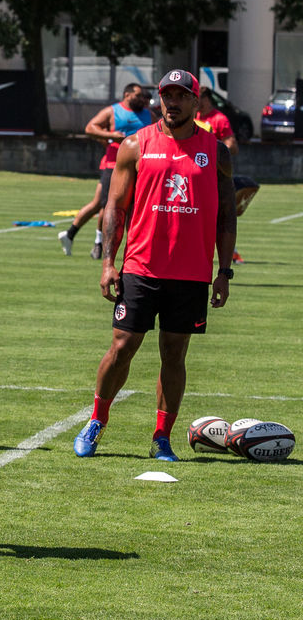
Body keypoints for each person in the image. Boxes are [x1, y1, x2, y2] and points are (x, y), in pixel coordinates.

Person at [72, 69, 235, 462]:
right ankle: (96, 420)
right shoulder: (135, 145)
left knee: (174, 354)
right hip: (141, 267)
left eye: (181, 96)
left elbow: (227, 215)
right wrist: (108, 263)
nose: (172, 102)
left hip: (191, 274)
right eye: (167, 95)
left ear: (196, 101)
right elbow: (115, 208)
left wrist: (224, 272)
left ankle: (162, 437)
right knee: (122, 345)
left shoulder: (216, 152)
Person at [60, 83, 153, 259]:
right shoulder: (113, 111)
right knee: (109, 206)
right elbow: (90, 128)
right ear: (127, 94)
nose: (142, 99)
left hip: (141, 167)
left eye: (143, 97)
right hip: (114, 165)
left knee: (119, 206)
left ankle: (73, 235)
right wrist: (111, 136)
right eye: (138, 95)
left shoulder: (149, 114)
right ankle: (98, 243)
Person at [195, 90, 251, 264]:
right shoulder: (193, 116)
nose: (195, 102)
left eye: (198, 98)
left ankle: (231, 253)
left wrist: (213, 147)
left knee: (220, 214)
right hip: (192, 174)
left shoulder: (219, 119)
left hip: (212, 176)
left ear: (206, 99)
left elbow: (232, 147)